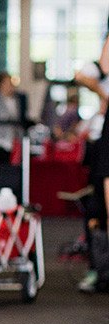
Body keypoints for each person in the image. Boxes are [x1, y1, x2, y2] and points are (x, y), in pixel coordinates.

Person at [73, 36, 109, 293]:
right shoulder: (99, 69)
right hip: (102, 142)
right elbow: (88, 72)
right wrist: (102, 94)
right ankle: (100, 270)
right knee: (97, 210)